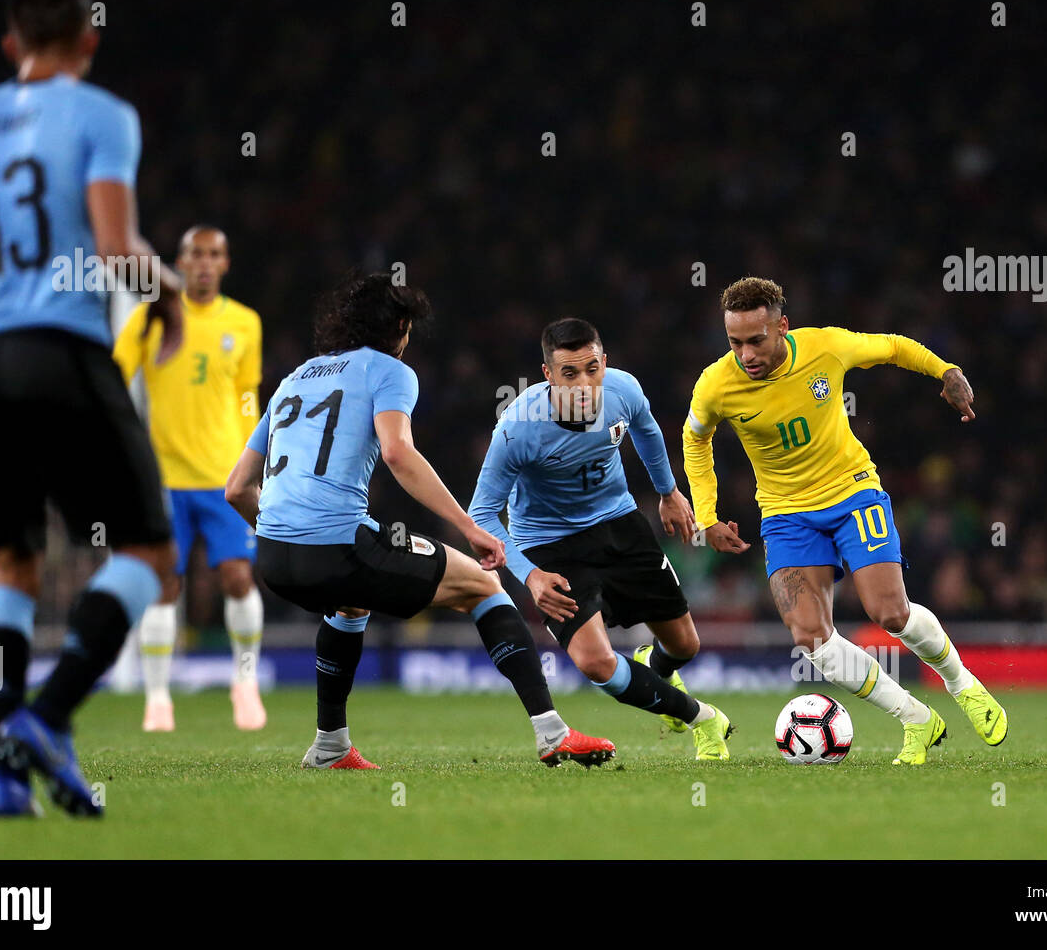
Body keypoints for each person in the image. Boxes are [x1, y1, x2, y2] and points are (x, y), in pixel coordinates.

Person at [0, 0, 183, 815]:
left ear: (10, 45)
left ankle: (3, 776)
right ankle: (50, 716)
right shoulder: (102, 116)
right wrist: (165, 293)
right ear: (88, 41)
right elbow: (111, 244)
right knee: (149, 554)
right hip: (61, 349)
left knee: (9, 563)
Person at [225, 273, 614, 768]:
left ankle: (330, 745)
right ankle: (552, 732)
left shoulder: (294, 380)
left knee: (348, 605)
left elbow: (236, 487)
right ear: (402, 326)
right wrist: (470, 527)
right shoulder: (388, 370)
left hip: (275, 558)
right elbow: (397, 452)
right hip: (338, 546)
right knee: (483, 586)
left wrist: (289, 535)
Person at [683, 277, 1008, 765]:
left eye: (756, 340)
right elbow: (695, 441)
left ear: (782, 328)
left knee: (890, 614)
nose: (745, 354)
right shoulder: (715, 384)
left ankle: (962, 682)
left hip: (852, 492)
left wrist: (946, 371)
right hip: (786, 515)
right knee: (810, 638)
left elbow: (894, 347)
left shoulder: (825, 347)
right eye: (735, 343)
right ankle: (917, 720)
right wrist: (706, 516)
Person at [469, 318, 734, 759]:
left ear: (605, 364)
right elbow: (481, 514)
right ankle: (703, 718)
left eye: (592, 369)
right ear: (547, 375)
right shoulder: (517, 428)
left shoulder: (623, 391)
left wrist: (667, 492)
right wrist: (530, 576)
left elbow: (647, 429)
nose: (584, 383)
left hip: (620, 525)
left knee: (685, 645)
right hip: (550, 546)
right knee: (596, 662)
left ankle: (656, 670)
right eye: (569, 373)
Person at [113, 225, 266, 732]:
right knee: (163, 585)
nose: (203, 263)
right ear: (179, 262)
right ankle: (157, 698)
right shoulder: (148, 318)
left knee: (238, 577)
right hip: (162, 480)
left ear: (225, 264)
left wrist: (254, 462)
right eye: (194, 254)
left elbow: (249, 399)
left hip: (224, 477)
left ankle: (244, 681)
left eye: (213, 255)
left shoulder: (245, 323)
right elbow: (115, 377)